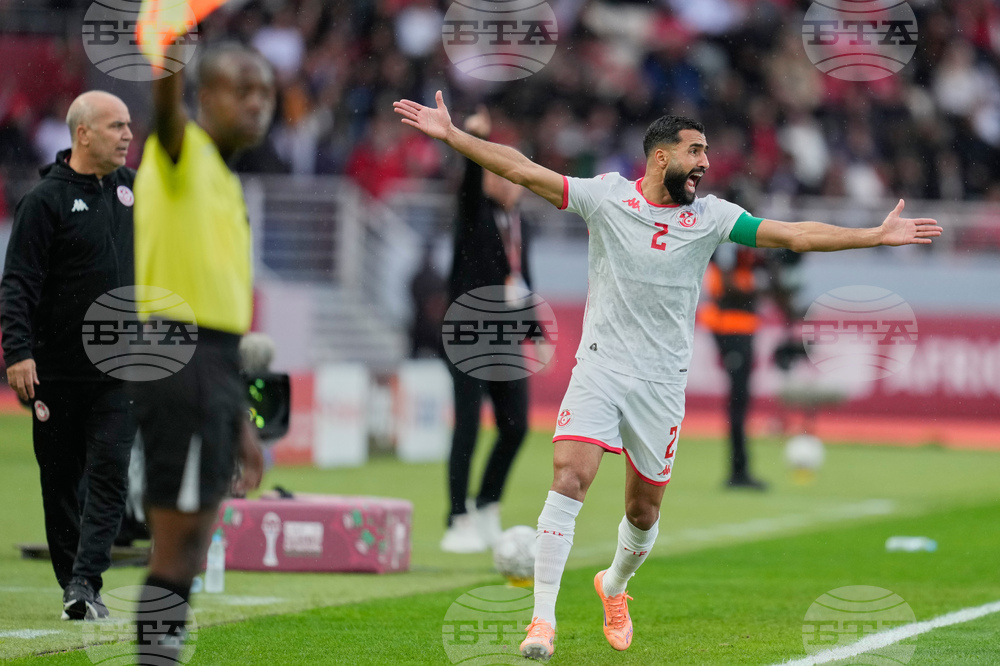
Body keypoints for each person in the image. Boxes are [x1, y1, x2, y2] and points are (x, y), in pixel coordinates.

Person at [393, 92, 942, 660]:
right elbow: (522, 169)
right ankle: (541, 621)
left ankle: (615, 585)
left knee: (643, 511)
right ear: (660, 158)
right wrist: (456, 138)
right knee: (568, 480)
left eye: (706, 152)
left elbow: (793, 234)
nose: (705, 163)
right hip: (600, 367)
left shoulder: (712, 218)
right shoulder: (605, 198)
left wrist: (872, 235)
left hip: (661, 383)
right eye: (695, 151)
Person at [131, 42, 272, 662]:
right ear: (203, 98)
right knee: (175, 543)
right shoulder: (176, 150)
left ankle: (162, 652)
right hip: (177, 356)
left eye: (265, 93)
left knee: (196, 540)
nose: (258, 104)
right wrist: (168, 47)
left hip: (215, 364)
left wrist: (240, 418)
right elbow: (165, 100)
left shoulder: (221, 175)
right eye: (243, 90)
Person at [1, 90, 136, 621]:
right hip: (55, 370)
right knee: (60, 481)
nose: (128, 135)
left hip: (119, 369)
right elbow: (17, 286)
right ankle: (73, 584)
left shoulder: (133, 192)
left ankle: (86, 581)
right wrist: (17, 352)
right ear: (83, 134)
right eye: (116, 126)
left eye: (128, 125)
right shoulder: (44, 202)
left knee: (110, 473)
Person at [440, 106, 532, 553]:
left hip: (505, 334)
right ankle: (456, 517)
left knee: (516, 425)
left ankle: (487, 504)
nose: (512, 181)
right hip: (468, 331)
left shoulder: (519, 223)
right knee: (469, 425)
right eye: (503, 173)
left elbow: (521, 277)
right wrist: (472, 141)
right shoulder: (474, 213)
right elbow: (470, 185)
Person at [699, 245, 768, 489]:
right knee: (737, 401)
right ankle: (738, 471)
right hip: (730, 329)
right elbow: (729, 287)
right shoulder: (730, 244)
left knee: (741, 400)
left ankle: (740, 469)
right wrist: (758, 288)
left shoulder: (746, 251)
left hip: (742, 329)